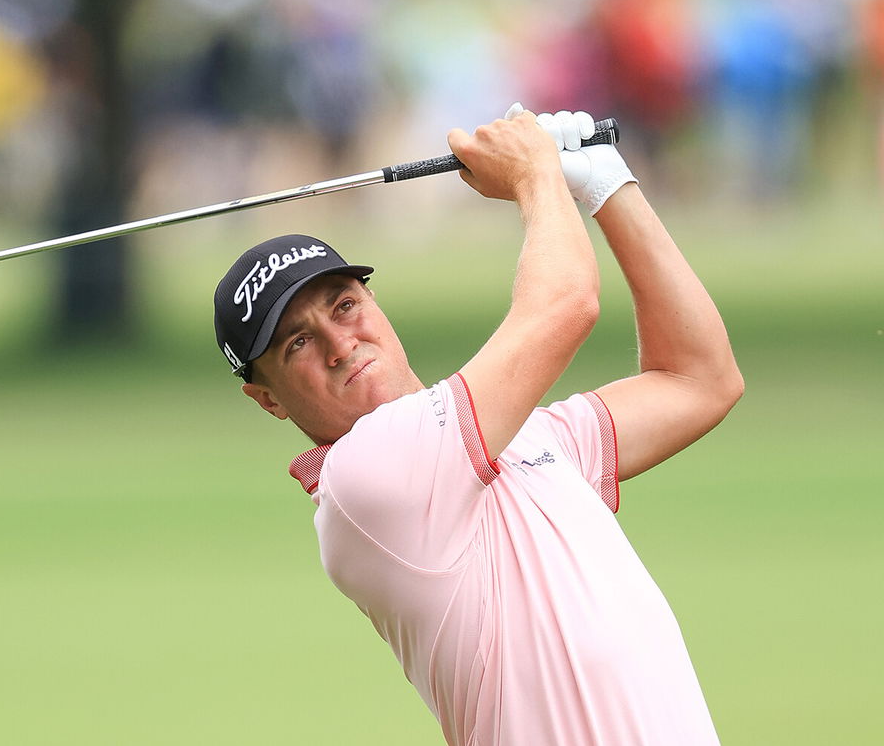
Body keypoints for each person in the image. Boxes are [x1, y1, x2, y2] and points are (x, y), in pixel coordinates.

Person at [212, 105, 744, 745]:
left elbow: (699, 379)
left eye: (345, 305)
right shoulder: (364, 479)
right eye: (296, 342)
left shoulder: (530, 439)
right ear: (268, 400)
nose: (339, 342)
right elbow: (566, 303)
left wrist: (607, 185)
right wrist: (536, 176)